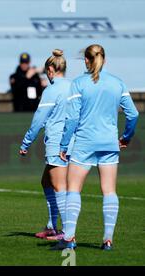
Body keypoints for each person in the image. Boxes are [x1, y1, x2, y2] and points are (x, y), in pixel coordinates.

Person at [57, 44, 139, 250]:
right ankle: (107, 240)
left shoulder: (79, 83)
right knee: (109, 191)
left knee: (74, 189)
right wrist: (127, 136)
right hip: (109, 142)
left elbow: (73, 118)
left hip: (84, 143)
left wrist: (64, 144)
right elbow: (134, 114)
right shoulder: (117, 83)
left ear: (86, 60)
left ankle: (69, 238)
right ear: (105, 59)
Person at [19, 49, 72, 241]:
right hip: (72, 142)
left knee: (59, 187)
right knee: (46, 182)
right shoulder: (74, 86)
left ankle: (66, 233)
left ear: (50, 69)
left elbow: (38, 120)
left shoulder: (52, 90)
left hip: (57, 143)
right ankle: (52, 226)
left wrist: (26, 142)